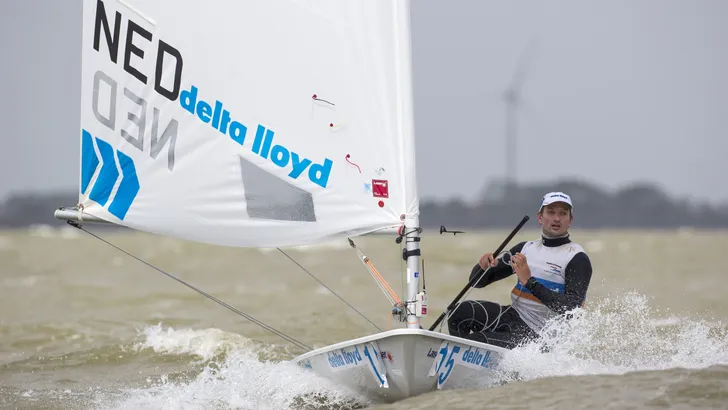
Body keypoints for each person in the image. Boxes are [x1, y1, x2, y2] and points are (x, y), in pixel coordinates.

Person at [447, 191, 593, 349]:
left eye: (563, 214)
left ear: (570, 220)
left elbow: (572, 308)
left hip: (541, 336)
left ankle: (462, 356)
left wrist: (530, 282)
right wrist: (482, 267)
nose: (557, 219)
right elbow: (476, 283)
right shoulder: (525, 248)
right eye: (551, 212)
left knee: (477, 340)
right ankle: (454, 358)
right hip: (514, 316)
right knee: (458, 313)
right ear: (540, 217)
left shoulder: (577, 258)